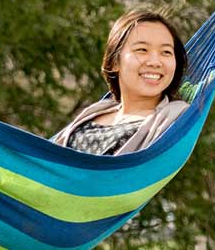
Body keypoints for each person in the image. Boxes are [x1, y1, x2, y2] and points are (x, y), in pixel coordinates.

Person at [51, 10, 190, 155]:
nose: (155, 62)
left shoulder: (177, 119)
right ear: (115, 62)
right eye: (142, 50)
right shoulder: (96, 111)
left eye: (166, 52)